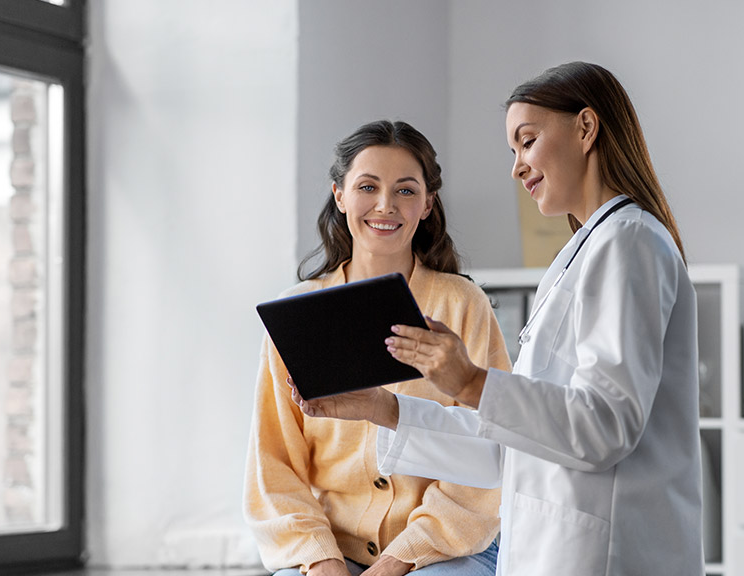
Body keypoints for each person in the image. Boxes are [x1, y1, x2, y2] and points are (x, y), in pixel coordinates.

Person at [293, 62, 704, 575]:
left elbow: (605, 427)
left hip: (605, 555)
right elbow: (508, 449)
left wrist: (469, 381)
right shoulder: (585, 252)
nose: (517, 167)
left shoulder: (629, 243)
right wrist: (385, 409)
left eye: (526, 141)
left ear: (585, 128)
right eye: (514, 150)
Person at [244, 120, 510, 576]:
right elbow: (274, 466)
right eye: (368, 186)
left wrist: (396, 562)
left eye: (406, 191)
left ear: (428, 204)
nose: (386, 205)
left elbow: (492, 446)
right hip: (328, 549)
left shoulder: (462, 305)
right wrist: (321, 559)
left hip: (451, 547)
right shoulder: (297, 314)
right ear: (340, 195)